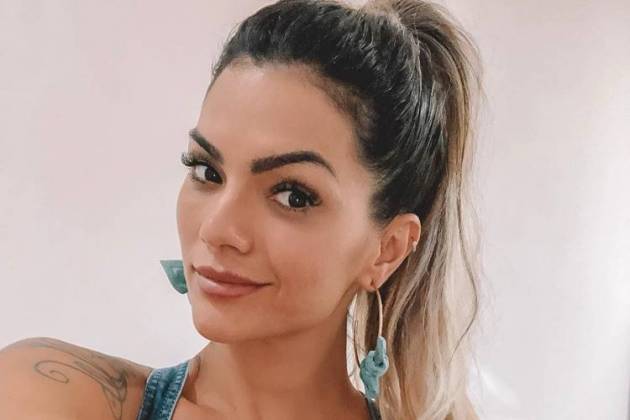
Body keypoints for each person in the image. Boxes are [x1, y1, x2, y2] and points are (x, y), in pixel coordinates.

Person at [0, 0, 483, 418]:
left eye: (292, 195)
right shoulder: (47, 395)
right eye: (207, 171)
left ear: (387, 249)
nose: (217, 229)